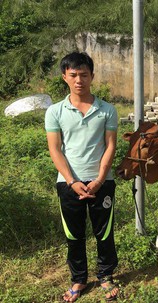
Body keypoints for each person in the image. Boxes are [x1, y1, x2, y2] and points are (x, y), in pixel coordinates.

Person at [45, 52, 119, 302]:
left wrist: (99, 179)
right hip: (68, 184)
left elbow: (110, 146)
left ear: (92, 76)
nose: (79, 80)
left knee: (104, 232)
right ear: (65, 76)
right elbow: (55, 149)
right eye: (73, 75)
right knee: (74, 234)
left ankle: (106, 276)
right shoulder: (55, 111)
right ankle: (78, 280)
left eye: (84, 75)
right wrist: (72, 181)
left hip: (102, 182)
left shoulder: (107, 110)